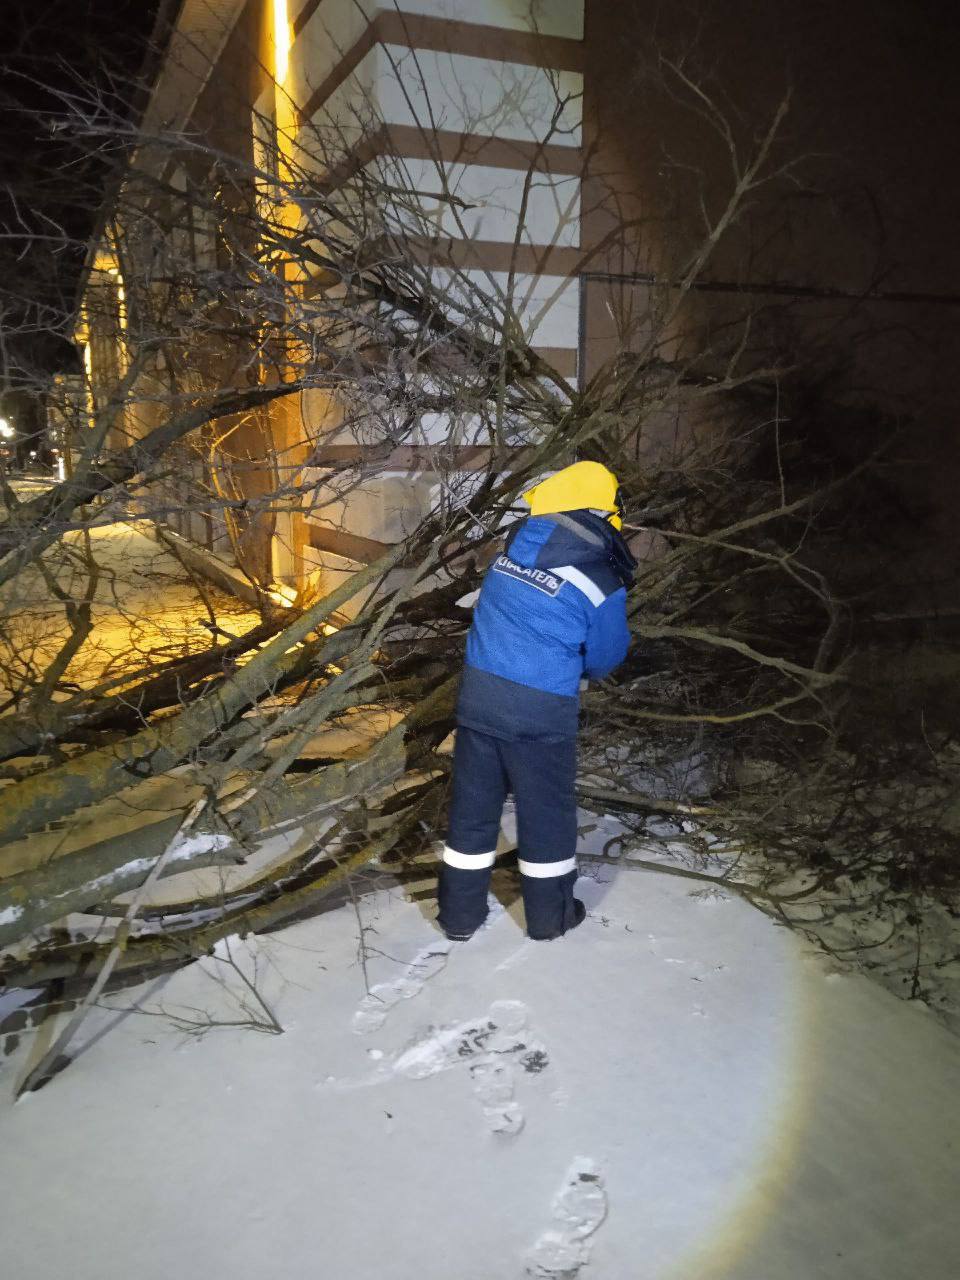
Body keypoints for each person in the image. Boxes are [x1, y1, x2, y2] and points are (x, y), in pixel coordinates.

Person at [438, 461, 635, 942]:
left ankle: (459, 918)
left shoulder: (511, 551)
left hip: (480, 702)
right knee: (545, 815)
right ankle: (550, 920)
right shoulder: (600, 580)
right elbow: (606, 657)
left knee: (472, 810)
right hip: (540, 716)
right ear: (600, 515)